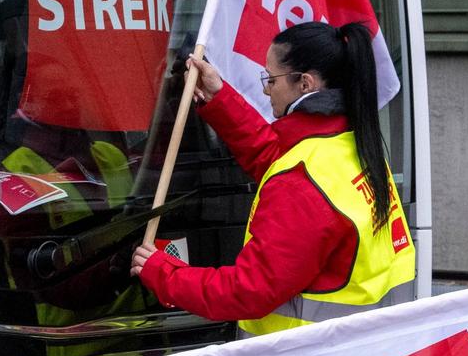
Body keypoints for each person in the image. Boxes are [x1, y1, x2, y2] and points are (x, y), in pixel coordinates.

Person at [130, 21, 416, 336]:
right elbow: (275, 156)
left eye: (271, 79)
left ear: (305, 84)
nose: (266, 89)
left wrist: (165, 274)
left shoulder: (301, 182)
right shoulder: (355, 144)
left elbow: (248, 290)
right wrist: (220, 98)